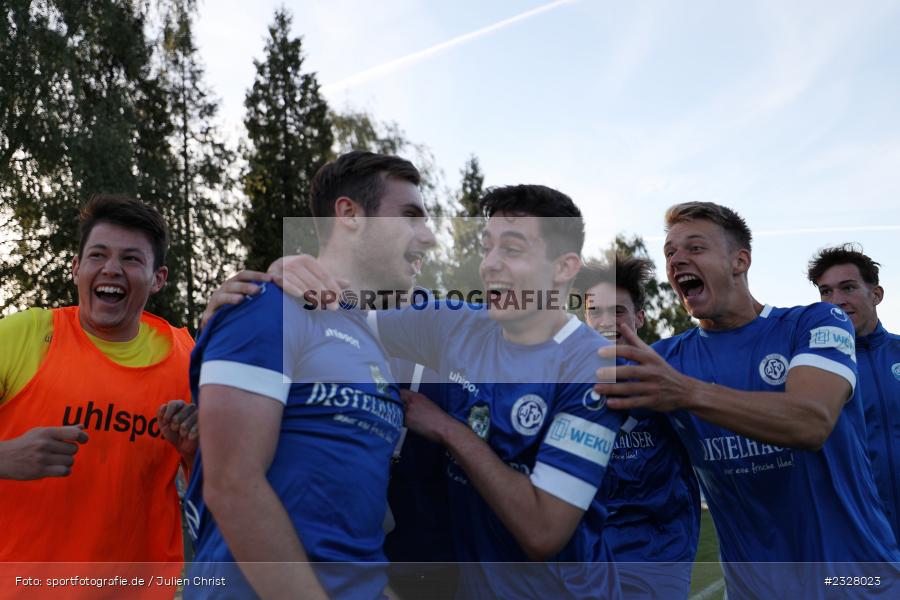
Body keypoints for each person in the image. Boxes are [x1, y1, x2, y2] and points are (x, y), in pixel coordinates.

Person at [278, 184, 626, 599]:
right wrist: (277, 281)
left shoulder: (591, 365)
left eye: (512, 250)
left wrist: (447, 429)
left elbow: (543, 530)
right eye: (487, 247)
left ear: (565, 268)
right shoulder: (457, 325)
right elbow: (339, 320)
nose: (490, 265)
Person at [592, 202, 900, 599]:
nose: (678, 259)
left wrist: (686, 393)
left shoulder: (814, 323)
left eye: (695, 248)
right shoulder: (665, 360)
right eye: (670, 252)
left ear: (740, 260)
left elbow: (810, 421)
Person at [183, 151, 437, 599]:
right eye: (411, 216)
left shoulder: (370, 336)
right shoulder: (266, 306)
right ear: (350, 214)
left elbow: (353, 529)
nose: (428, 237)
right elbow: (232, 484)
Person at [0, 195, 196, 595]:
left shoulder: (187, 359)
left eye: (130, 259)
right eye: (98, 255)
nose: (111, 269)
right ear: (76, 268)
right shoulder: (26, 335)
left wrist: (196, 452)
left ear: (158, 278)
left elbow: (224, 487)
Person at [576, 254, 699, 599]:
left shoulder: (670, 371)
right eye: (595, 311)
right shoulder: (567, 382)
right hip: (592, 547)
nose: (605, 321)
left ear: (639, 318)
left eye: (617, 311)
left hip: (660, 548)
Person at [807, 244, 900, 544]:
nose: (837, 301)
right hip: (859, 534)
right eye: (826, 292)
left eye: (847, 288)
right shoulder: (812, 367)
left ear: (876, 294)